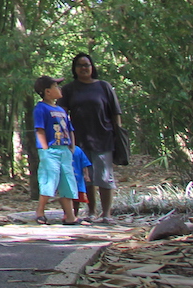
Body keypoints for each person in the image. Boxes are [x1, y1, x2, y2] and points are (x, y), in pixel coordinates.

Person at [61, 52, 125, 224]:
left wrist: (118, 133)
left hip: (103, 136)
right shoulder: (68, 89)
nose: (84, 68)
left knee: (104, 177)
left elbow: (115, 112)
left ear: (92, 67)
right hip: (79, 139)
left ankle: (106, 214)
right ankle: (91, 212)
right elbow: (61, 114)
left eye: (87, 65)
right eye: (80, 65)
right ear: (75, 69)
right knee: (86, 177)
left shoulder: (104, 87)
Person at [32, 75, 78, 225]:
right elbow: (40, 129)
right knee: (49, 180)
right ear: (47, 91)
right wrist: (44, 149)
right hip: (51, 150)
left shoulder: (61, 110)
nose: (59, 89)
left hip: (64, 149)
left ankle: (70, 215)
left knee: (67, 181)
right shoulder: (41, 108)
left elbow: (70, 129)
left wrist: (72, 146)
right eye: (56, 86)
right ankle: (40, 211)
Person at [71, 143, 93, 221]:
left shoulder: (78, 150)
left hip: (78, 179)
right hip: (67, 179)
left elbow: (85, 164)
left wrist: (86, 175)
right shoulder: (62, 150)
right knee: (67, 197)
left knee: (77, 198)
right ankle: (67, 214)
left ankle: (75, 214)